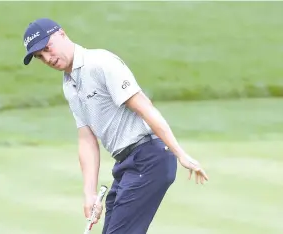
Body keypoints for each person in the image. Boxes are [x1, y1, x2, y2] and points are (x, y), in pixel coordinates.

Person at [22, 18, 209, 234]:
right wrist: (89, 194)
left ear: (62, 34)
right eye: (39, 56)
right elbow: (86, 138)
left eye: (47, 48)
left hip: (150, 157)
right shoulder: (70, 84)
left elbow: (145, 107)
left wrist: (181, 154)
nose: (47, 58)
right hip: (126, 165)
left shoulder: (100, 63)